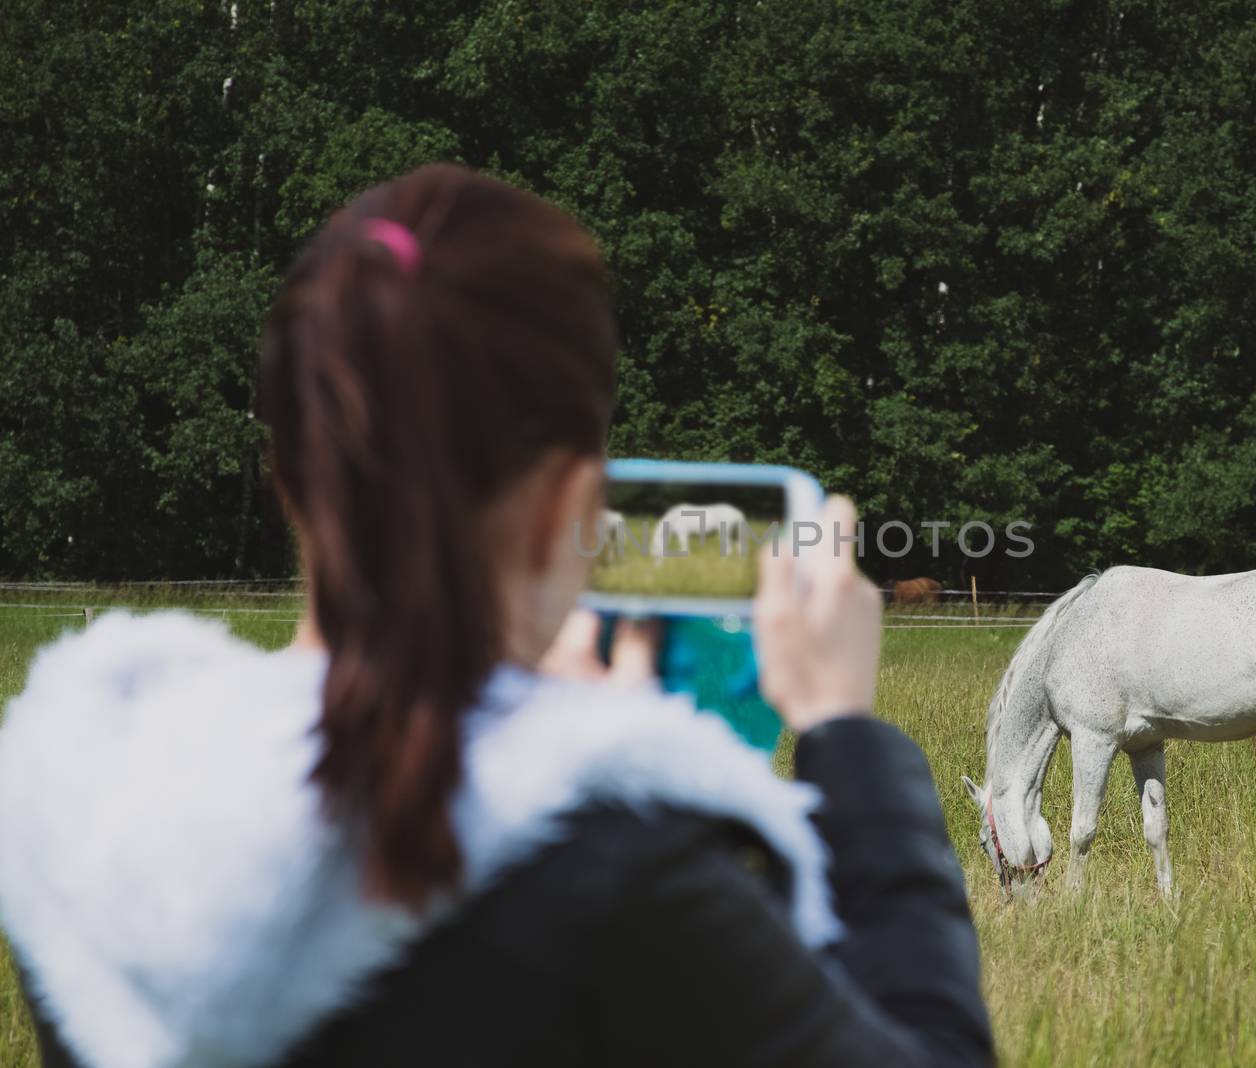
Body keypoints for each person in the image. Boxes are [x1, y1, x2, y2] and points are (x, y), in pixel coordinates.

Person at [0, 164, 993, 1067]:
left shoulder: (76, 801)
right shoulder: (616, 870)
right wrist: (844, 735)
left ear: (290, 468)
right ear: (572, 503)